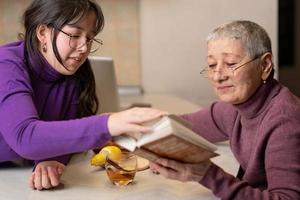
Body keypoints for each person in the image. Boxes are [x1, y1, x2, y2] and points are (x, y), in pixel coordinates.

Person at [0, 0, 166, 191]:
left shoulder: (74, 74)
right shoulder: (6, 64)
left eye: (89, 38)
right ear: (42, 33)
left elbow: (65, 129)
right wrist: (108, 123)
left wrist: (50, 159)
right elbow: (25, 136)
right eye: (75, 35)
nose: (84, 48)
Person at [149, 20, 300, 199]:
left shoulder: (284, 120)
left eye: (230, 63)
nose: (218, 76)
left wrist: (207, 174)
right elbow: (183, 125)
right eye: (212, 65)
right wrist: (145, 137)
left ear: (265, 65)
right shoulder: (234, 107)